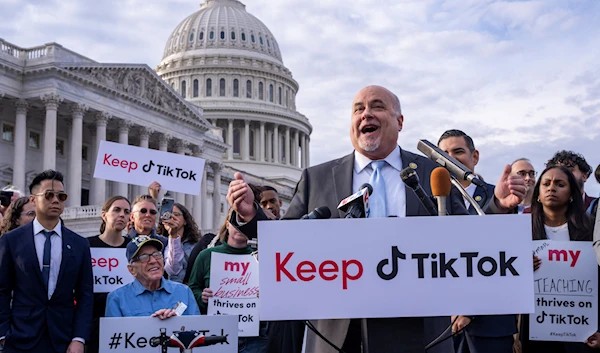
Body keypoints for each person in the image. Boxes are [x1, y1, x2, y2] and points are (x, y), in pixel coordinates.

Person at [227, 85, 525, 353]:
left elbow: (469, 240)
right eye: (358, 109)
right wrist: (252, 216)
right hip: (337, 331)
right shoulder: (316, 178)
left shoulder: (432, 173)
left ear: (400, 121)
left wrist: (498, 206)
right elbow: (287, 241)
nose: (366, 113)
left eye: (377, 106)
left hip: (418, 328)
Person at [438, 130, 517, 353]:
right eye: (443, 153)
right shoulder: (426, 197)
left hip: (491, 322)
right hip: (442, 326)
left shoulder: (501, 198)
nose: (450, 157)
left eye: (458, 151)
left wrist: (470, 309)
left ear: (475, 157)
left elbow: (503, 258)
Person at [0, 170, 93, 353]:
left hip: (64, 339)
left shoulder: (79, 244)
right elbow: (2, 290)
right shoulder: (11, 241)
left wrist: (79, 338)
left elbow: (85, 295)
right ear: (33, 199)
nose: (56, 200)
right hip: (19, 338)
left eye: (61, 196)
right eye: (49, 195)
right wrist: (3, 333)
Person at [520, 165, 597, 352]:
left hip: (582, 333)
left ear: (572, 194)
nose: (551, 188)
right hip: (533, 333)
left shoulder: (591, 231)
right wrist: (520, 268)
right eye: (546, 183)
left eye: (560, 184)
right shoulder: (520, 231)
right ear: (538, 193)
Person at [188, 208, 268, 352]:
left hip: (254, 338)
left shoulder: (262, 258)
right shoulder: (206, 256)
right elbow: (192, 289)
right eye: (236, 221)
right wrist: (202, 297)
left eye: (245, 223)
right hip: (215, 335)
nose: (240, 227)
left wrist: (265, 296)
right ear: (227, 224)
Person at [105, 235, 200, 317]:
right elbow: (114, 336)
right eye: (144, 257)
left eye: (157, 254)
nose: (153, 261)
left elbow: (197, 331)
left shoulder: (184, 292)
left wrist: (176, 323)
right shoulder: (117, 299)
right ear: (132, 269)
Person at [86, 196, 132, 353]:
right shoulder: (86, 245)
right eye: (117, 210)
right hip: (93, 320)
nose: (122, 215)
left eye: (126, 212)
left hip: (126, 321)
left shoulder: (133, 248)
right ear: (104, 214)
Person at [127, 194, 181, 278]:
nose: (148, 215)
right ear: (132, 217)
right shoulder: (124, 241)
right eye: (143, 211)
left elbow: (173, 270)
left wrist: (173, 236)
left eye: (152, 212)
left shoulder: (164, 242)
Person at [156, 203, 200, 283]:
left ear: (185, 221)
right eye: (168, 215)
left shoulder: (196, 244)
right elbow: (173, 270)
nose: (172, 218)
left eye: (176, 214)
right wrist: (173, 236)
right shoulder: (159, 243)